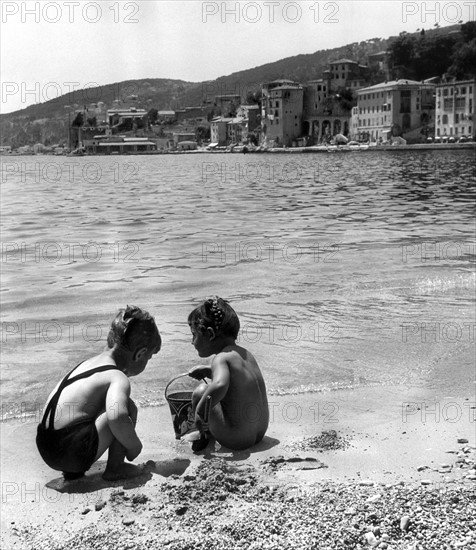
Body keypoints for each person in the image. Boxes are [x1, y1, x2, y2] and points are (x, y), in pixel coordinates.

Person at [36, 306, 161, 481]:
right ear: (140, 354)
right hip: (71, 453)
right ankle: (115, 467)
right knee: (126, 408)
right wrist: (134, 446)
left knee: (106, 405)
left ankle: (73, 473)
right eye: (149, 358)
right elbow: (117, 417)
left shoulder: (86, 364)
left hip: (45, 445)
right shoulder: (117, 377)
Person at [187, 296, 269, 451]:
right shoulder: (246, 354)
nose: (192, 341)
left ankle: (205, 435)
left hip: (237, 439)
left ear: (210, 334)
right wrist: (209, 372)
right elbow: (237, 381)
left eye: (194, 335)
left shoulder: (220, 359)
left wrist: (200, 412)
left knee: (200, 392)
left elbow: (220, 385)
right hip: (260, 432)